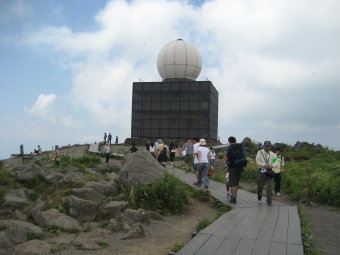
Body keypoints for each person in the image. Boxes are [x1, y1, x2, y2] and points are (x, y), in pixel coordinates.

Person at [224, 136, 246, 203]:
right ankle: (235, 195)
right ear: (235, 140)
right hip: (240, 167)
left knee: (233, 184)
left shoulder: (230, 148)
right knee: (237, 183)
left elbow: (226, 158)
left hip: (232, 168)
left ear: (229, 141)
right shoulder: (241, 147)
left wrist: (225, 158)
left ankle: (233, 198)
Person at [256, 141, 276, 206]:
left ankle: (269, 200)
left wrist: (273, 165)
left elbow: (277, 161)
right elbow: (257, 161)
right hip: (263, 170)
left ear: (270, 146)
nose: (267, 147)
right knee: (260, 185)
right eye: (266, 146)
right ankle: (259, 193)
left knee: (270, 186)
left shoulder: (273, 154)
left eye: (268, 146)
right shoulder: (260, 152)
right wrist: (264, 165)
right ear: (264, 146)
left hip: (270, 171)